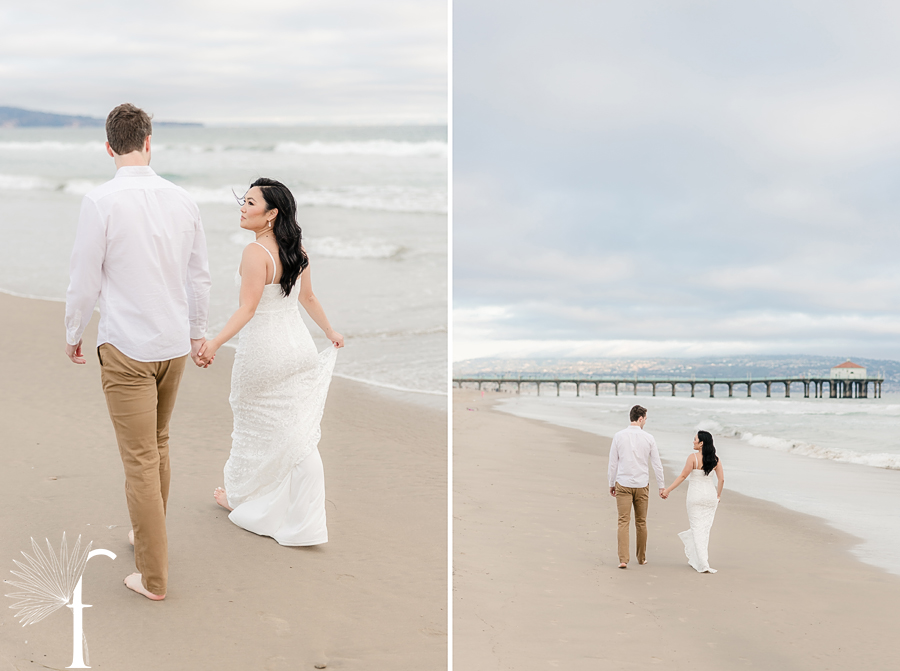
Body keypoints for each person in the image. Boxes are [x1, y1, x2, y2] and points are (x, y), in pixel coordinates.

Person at [65, 103, 211, 601]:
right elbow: (199, 276)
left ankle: (153, 576)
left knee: (141, 460)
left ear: (108, 147)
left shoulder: (100, 201)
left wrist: (73, 330)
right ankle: (146, 534)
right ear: (149, 142)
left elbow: (84, 278)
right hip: (171, 346)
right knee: (159, 444)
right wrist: (197, 333)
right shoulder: (182, 199)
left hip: (127, 345)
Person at [198, 178, 343, 546]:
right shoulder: (298, 249)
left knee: (252, 423)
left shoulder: (254, 253)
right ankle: (304, 515)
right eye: (242, 202)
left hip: (264, 351)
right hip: (299, 347)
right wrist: (330, 332)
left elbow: (247, 309)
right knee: (296, 431)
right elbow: (308, 298)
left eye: (250, 203)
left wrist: (214, 341)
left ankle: (242, 498)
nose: (242, 208)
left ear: (271, 214)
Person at [608, 405, 666, 569]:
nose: (645, 422)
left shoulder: (619, 436)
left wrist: (611, 484)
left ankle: (623, 559)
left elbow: (613, 464)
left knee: (623, 521)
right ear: (640, 418)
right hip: (641, 484)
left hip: (623, 483)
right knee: (641, 522)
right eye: (645, 419)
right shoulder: (649, 438)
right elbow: (657, 464)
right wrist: (661, 486)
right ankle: (641, 558)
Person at [662, 430, 724, 573]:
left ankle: (703, 563)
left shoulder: (693, 458)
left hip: (695, 497)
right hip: (710, 497)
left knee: (697, 528)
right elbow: (721, 479)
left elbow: (683, 476)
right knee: (704, 530)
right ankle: (699, 559)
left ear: (701, 443)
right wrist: (718, 495)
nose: (693, 441)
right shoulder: (716, 459)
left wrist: (668, 490)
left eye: (695, 439)